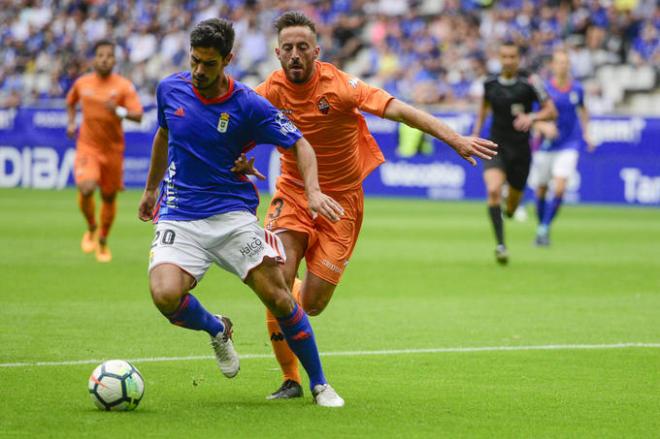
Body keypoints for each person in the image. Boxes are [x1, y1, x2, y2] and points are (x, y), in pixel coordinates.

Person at [234, 11, 497, 400]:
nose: (294, 54)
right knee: (278, 283)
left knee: (312, 304)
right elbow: (232, 125)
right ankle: (291, 379)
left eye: (302, 47)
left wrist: (453, 137)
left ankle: (294, 296)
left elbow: (402, 111)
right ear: (276, 52)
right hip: (293, 194)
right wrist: (237, 159)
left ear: (316, 51)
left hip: (341, 203)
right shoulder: (268, 91)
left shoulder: (340, 86)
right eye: (287, 48)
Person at [137, 18, 346, 407]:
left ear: (228, 60)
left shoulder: (248, 104)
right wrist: (151, 189)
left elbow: (300, 143)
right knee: (165, 295)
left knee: (280, 299)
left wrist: (313, 191)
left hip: (232, 217)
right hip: (180, 215)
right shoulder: (170, 89)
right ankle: (217, 328)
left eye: (210, 64)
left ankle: (319, 384)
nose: (199, 71)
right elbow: (164, 135)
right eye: (195, 61)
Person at [472, 41, 557, 265]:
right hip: (495, 146)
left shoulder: (530, 82)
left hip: (520, 151)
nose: (508, 61)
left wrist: (533, 117)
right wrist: (475, 134)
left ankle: (510, 210)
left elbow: (551, 110)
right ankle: (501, 245)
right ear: (499, 58)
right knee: (493, 190)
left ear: (518, 59)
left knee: (511, 205)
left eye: (513, 57)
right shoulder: (489, 83)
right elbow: (483, 108)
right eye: (505, 57)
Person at [66, 39, 144, 262]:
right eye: (100, 55)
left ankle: (102, 240)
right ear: (94, 58)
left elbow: (138, 116)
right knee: (87, 187)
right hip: (87, 146)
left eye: (109, 56)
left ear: (115, 59)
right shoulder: (82, 83)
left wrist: (118, 110)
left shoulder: (123, 86)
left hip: (113, 150)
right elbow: (70, 102)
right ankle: (91, 226)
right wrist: (71, 123)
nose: (104, 59)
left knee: (108, 196)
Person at [529, 49, 593, 246]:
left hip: (569, 144)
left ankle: (544, 227)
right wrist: (543, 126)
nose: (562, 66)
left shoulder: (577, 89)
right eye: (559, 62)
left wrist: (587, 133)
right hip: (546, 146)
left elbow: (582, 110)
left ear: (569, 65)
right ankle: (541, 228)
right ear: (553, 65)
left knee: (560, 187)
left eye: (566, 62)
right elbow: (531, 117)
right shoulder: (544, 89)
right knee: (541, 189)